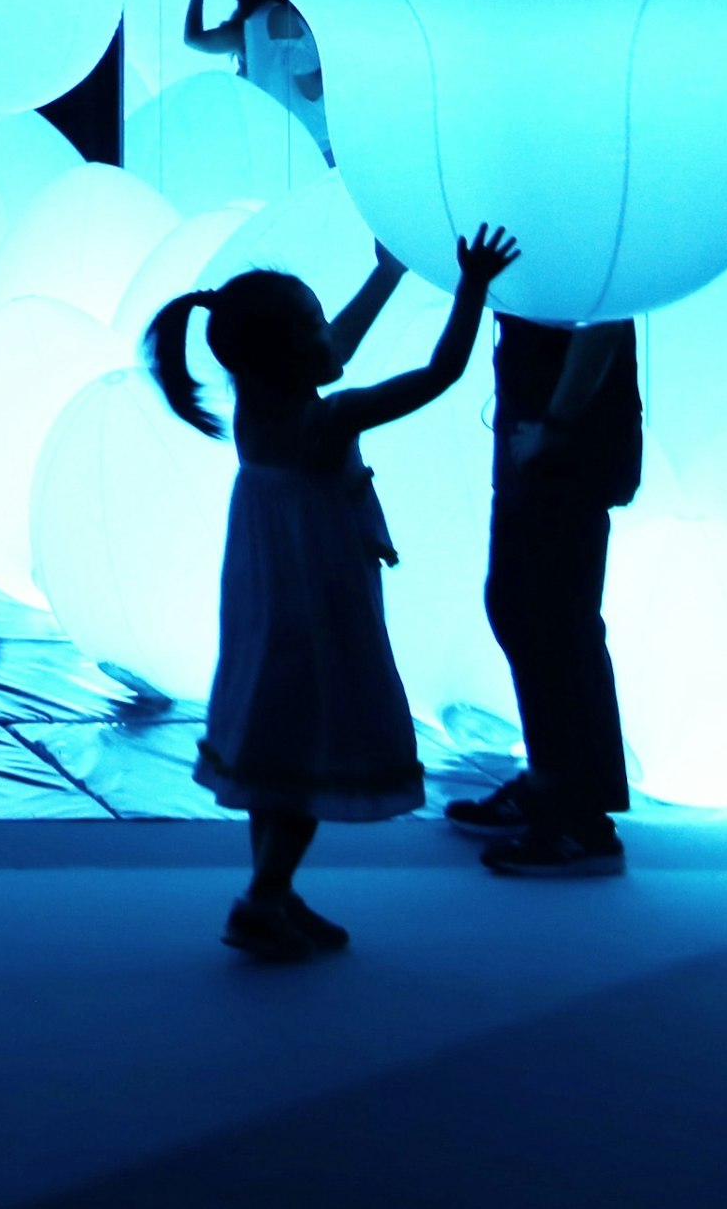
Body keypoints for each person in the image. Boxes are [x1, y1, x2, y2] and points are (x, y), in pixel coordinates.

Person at [147, 224, 521, 960]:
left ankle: (273, 891)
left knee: (274, 754)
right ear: (290, 354)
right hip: (317, 605)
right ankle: (260, 900)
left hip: (271, 602)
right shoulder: (326, 418)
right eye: (314, 323)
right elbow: (439, 373)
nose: (331, 334)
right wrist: (472, 288)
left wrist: (385, 276)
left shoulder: (260, 403)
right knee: (308, 758)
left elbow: (333, 349)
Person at [448, 315, 640, 878]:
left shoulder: (583, 235)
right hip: (536, 438)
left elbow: (604, 316)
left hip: (562, 446)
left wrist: (556, 423)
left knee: (553, 622)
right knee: (526, 610)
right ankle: (555, 785)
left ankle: (579, 820)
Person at [186, 0, 331, 160]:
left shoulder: (247, 28)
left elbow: (194, 39)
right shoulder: (284, 18)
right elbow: (311, 89)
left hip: (276, 142)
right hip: (316, 140)